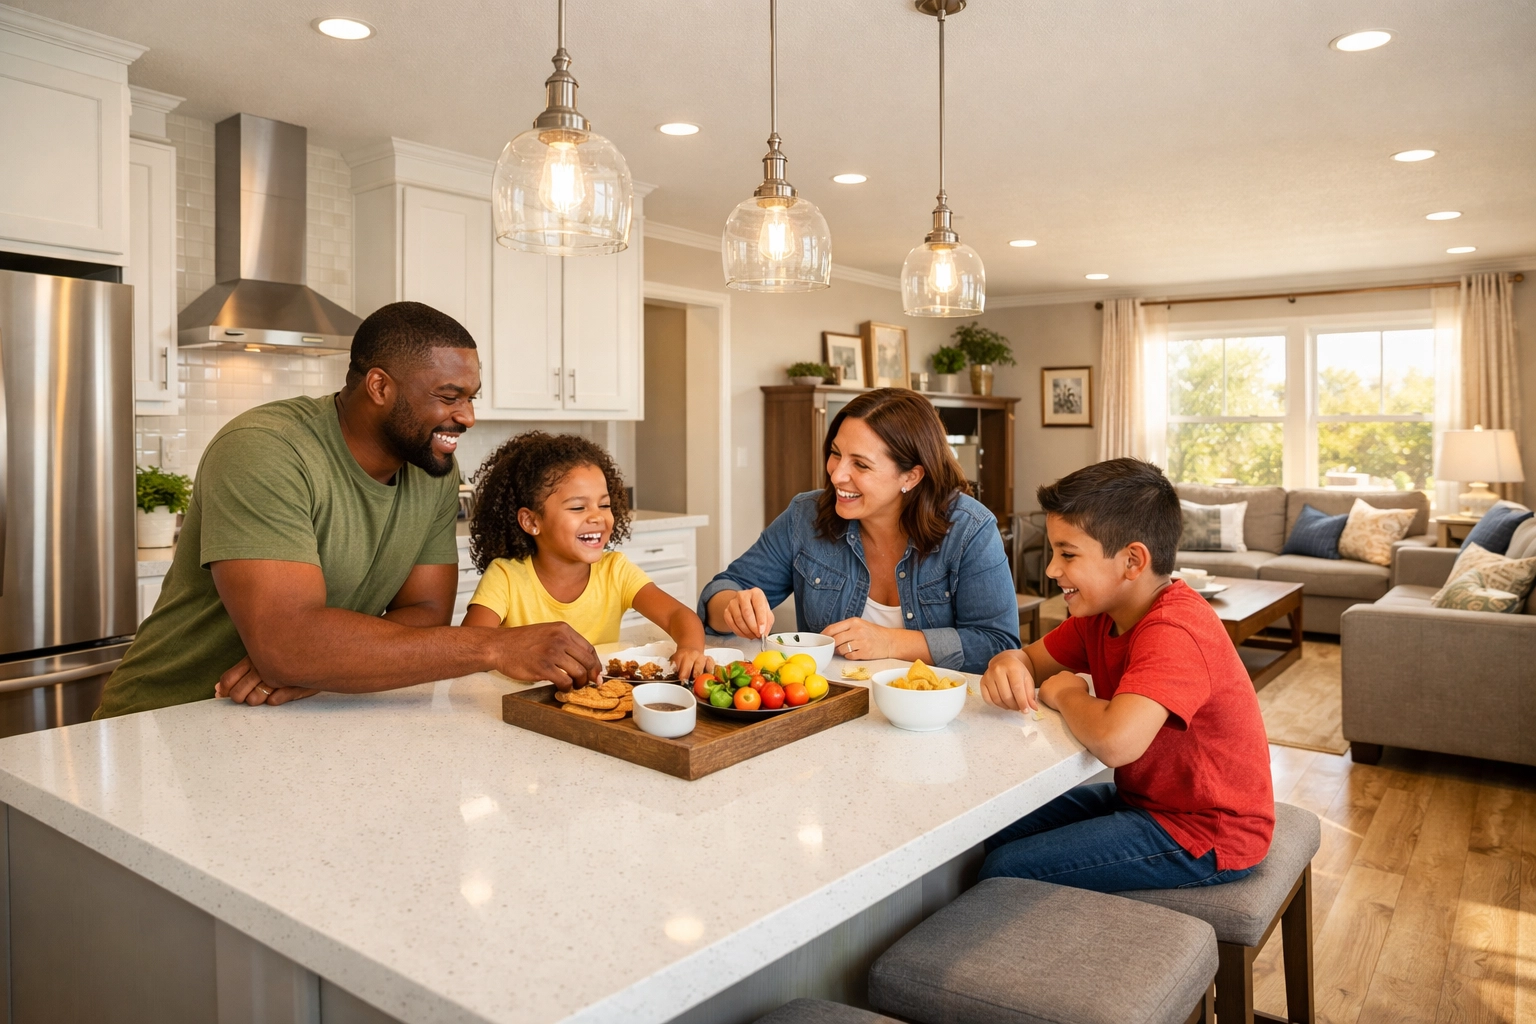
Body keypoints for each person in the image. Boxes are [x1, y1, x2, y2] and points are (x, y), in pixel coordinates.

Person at [95, 302, 601, 717]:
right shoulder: (265, 448)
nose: (466, 416)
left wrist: (321, 662)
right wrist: (493, 647)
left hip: (294, 719)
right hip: (170, 717)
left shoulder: (433, 468)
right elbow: (289, 643)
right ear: (380, 387)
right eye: (450, 397)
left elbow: (426, 613)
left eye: (471, 397)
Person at [977, 458, 1273, 891]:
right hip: (1146, 802)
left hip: (1207, 830)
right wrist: (1006, 661)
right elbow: (1028, 660)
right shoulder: (1101, 614)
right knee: (989, 827)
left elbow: (1117, 743)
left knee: (1005, 866)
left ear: (1132, 560)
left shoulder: (1175, 629)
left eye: (1068, 554)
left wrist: (1065, 693)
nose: (1052, 570)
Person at [698, 388, 1017, 675]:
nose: (837, 474)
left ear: (911, 477)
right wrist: (732, 606)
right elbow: (723, 589)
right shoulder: (805, 515)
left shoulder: (970, 529)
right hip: (830, 706)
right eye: (836, 453)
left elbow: (998, 646)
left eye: (860, 465)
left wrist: (892, 643)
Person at [461, 432, 711, 680]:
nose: (597, 517)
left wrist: (689, 648)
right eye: (578, 507)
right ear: (531, 521)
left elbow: (677, 615)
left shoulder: (616, 571)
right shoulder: (506, 577)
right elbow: (469, 648)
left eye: (604, 505)